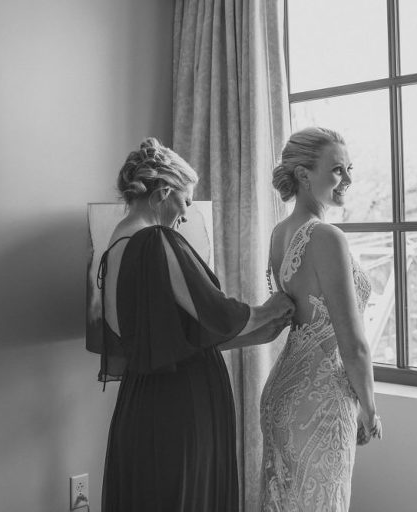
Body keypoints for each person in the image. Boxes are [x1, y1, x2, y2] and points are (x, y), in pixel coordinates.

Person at [99, 137, 294, 511]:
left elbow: (161, 337)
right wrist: (270, 309)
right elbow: (214, 312)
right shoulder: (155, 239)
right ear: (165, 192)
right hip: (182, 402)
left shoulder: (114, 245)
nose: (185, 213)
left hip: (141, 399)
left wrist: (252, 335)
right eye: (186, 200)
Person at [259, 127, 382, 511]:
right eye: (337, 170)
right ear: (303, 174)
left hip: (282, 394)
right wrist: (370, 407)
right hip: (322, 401)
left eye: (349, 169)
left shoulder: (280, 233)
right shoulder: (327, 236)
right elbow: (354, 343)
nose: (347, 179)